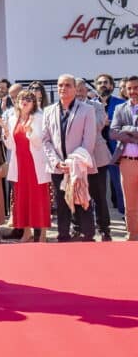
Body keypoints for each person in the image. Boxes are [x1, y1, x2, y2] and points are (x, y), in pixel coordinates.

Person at [40, 74, 97, 242]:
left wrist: (73, 163)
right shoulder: (49, 111)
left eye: (67, 85)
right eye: (60, 85)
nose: (62, 88)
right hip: (58, 167)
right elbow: (46, 140)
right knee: (61, 203)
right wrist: (57, 162)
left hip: (79, 166)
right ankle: (63, 237)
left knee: (82, 201)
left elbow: (89, 141)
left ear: (74, 88)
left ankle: (88, 237)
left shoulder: (87, 110)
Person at [0, 90, 49, 242]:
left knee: (39, 200)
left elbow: (40, 143)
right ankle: (26, 233)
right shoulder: (13, 118)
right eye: (22, 98)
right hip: (19, 165)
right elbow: (9, 146)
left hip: (35, 165)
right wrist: (6, 133)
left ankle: (42, 236)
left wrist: (30, 132)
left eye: (28, 98)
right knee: (22, 199)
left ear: (34, 103)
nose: (24, 101)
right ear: (17, 102)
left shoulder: (39, 118)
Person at [75, 78, 112, 241]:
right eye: (77, 88)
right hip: (76, 158)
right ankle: (79, 228)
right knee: (78, 195)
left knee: (99, 195)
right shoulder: (67, 107)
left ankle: (104, 229)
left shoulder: (97, 106)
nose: (80, 90)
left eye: (83, 88)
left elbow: (97, 126)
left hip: (97, 157)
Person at [109, 76, 138, 241]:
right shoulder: (120, 108)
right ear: (125, 91)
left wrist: (127, 130)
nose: (133, 91)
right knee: (130, 204)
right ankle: (133, 236)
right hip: (126, 162)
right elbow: (113, 133)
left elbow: (120, 132)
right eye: (130, 88)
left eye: (136, 87)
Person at [95, 73, 127, 215]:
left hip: (117, 151)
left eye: (106, 82)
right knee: (95, 187)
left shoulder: (121, 104)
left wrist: (111, 123)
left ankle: (125, 215)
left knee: (120, 185)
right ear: (96, 86)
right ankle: (98, 218)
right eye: (100, 82)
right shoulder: (89, 105)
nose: (103, 85)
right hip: (96, 151)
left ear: (112, 86)